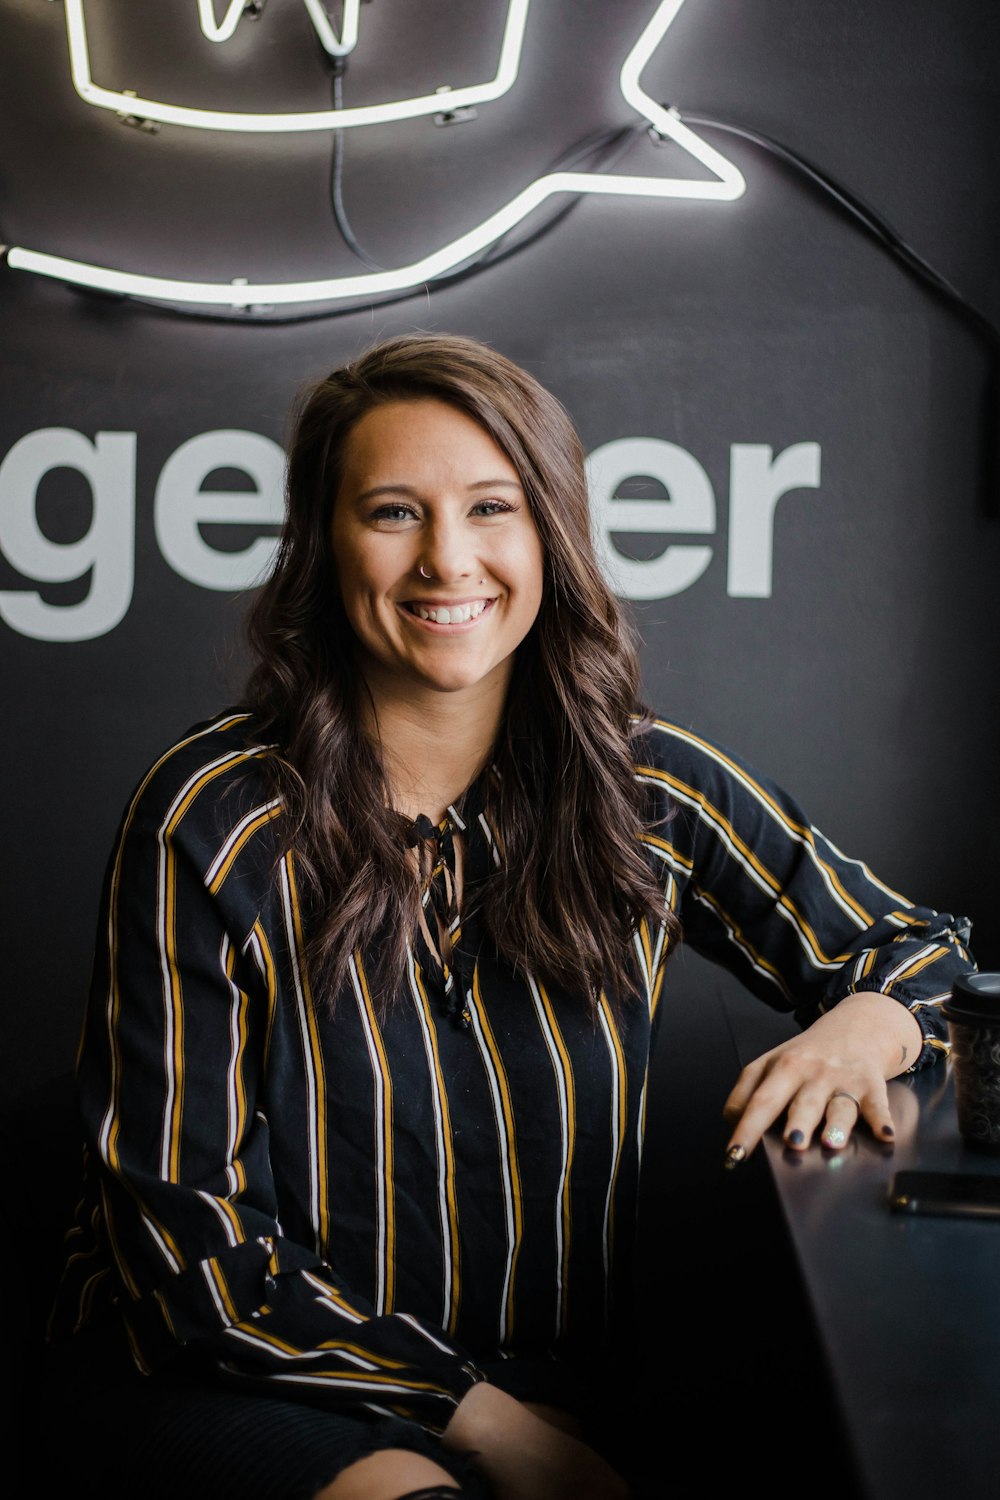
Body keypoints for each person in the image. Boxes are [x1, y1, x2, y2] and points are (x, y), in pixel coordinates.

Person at [49, 333, 974, 1500]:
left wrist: (867, 1024)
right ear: (322, 549)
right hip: (240, 1371)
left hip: (546, 1382)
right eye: (392, 512)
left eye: (492, 507)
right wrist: (486, 1425)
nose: (448, 559)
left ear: (550, 536)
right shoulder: (213, 817)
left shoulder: (647, 791)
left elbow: (929, 955)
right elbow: (189, 1259)